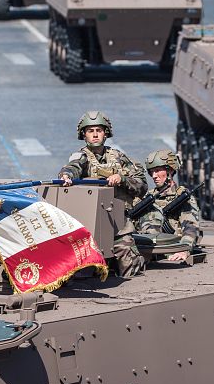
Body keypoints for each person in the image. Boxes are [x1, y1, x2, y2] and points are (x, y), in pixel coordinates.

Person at [59, 112, 148, 277]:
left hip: (119, 221)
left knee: (127, 257)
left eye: (98, 130)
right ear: (83, 135)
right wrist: (67, 175)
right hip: (91, 221)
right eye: (90, 130)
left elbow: (142, 186)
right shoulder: (82, 157)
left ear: (105, 133)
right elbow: (73, 167)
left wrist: (122, 179)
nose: (94, 134)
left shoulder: (119, 157)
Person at [113, 149, 200, 266]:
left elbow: (191, 227)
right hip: (145, 249)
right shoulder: (147, 197)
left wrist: (184, 249)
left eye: (158, 171)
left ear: (170, 170)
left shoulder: (182, 197)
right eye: (151, 172)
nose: (154, 176)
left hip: (169, 250)